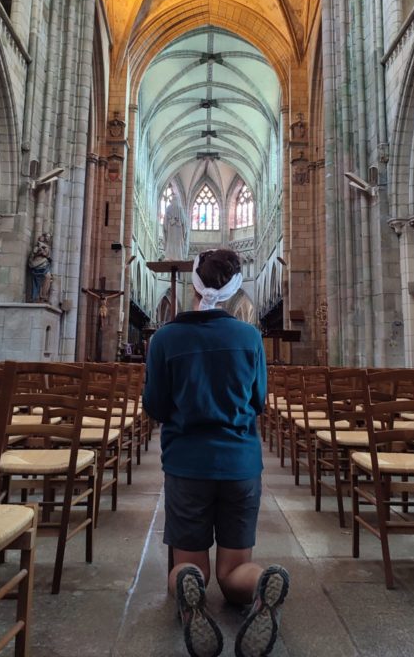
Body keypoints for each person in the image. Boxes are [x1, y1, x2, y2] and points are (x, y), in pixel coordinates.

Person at [143, 248, 289, 657]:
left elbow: (155, 406)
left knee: (191, 566)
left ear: (194, 284)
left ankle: (189, 587)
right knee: (232, 571)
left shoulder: (165, 338)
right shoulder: (249, 337)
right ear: (234, 288)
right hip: (240, 465)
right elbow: (258, 401)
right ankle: (260, 584)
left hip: (188, 465)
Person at [28, 233, 52, 302]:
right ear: (43, 237)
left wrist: (47, 255)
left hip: (45, 264)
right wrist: (41, 251)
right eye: (47, 236)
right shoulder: (39, 245)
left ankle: (43, 296)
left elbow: (47, 255)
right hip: (38, 264)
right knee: (38, 281)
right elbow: (34, 253)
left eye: (49, 237)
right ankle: (37, 297)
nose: (48, 238)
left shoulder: (47, 246)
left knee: (48, 277)